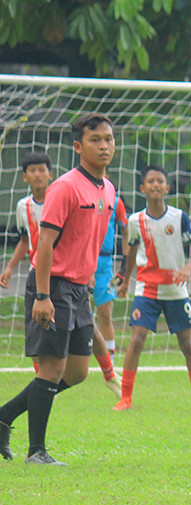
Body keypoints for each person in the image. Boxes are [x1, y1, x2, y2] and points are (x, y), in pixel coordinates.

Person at [0, 115, 119, 465]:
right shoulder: (66, 187)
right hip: (53, 285)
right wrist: (43, 295)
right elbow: (44, 244)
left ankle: (4, 415)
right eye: (95, 139)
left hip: (80, 288)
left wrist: (88, 279)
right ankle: (36, 451)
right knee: (51, 369)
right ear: (78, 146)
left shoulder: (108, 189)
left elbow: (87, 240)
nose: (104, 146)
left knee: (77, 372)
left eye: (109, 139)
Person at [0, 152, 123, 399]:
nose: (37, 174)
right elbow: (26, 240)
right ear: (24, 176)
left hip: (70, 274)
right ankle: (45, 386)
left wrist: (87, 269)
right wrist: (10, 267)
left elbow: (82, 236)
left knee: (88, 326)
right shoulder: (23, 206)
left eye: (41, 170)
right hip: (40, 274)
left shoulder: (63, 194)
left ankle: (108, 372)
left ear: (51, 174)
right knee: (42, 334)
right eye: (32, 170)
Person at [114, 165, 191, 412]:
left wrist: (188, 267)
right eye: (151, 181)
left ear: (167, 188)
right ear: (142, 188)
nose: (155, 185)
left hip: (175, 288)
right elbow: (132, 252)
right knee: (137, 340)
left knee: (186, 343)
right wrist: (126, 281)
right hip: (147, 288)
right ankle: (125, 398)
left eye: (160, 181)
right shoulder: (135, 220)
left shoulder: (179, 218)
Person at [93, 190, 129, 360]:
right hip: (82, 261)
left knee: (105, 315)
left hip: (104, 265)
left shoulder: (116, 203)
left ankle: (110, 363)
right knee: (79, 315)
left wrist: (124, 265)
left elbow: (126, 232)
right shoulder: (81, 197)